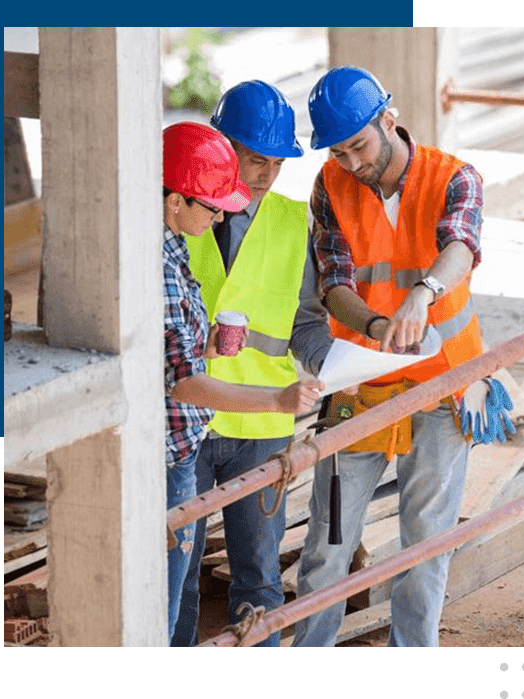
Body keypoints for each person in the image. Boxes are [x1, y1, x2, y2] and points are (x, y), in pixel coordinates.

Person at [292, 66, 514, 648]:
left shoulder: (454, 178)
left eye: (358, 146)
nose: (351, 163)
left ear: (388, 120)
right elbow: (333, 281)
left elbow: (461, 246)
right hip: (361, 382)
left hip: (444, 386)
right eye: (338, 152)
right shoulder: (329, 185)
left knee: (426, 541)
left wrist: (423, 294)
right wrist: (374, 322)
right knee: (328, 542)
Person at [169, 82, 335, 648]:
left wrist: (337, 367)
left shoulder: (293, 224)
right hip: (188, 425)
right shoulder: (179, 212)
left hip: (262, 429)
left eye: (277, 162)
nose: (265, 175)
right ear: (221, 145)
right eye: (255, 159)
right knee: (178, 578)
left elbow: (307, 323)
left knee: (259, 580)